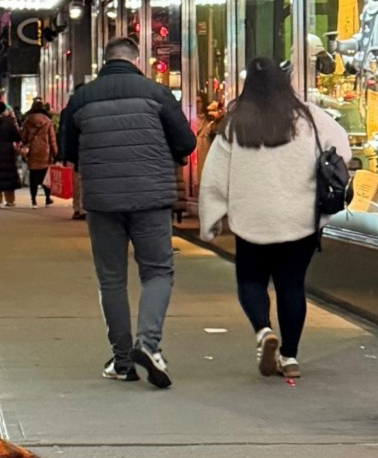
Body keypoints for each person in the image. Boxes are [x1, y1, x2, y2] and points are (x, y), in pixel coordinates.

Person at [197, 56, 349, 380]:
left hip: (251, 219)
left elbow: (214, 175)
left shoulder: (235, 123)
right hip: (299, 219)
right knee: (291, 286)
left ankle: (263, 330)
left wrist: (210, 219)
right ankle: (290, 356)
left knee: (250, 280)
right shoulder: (308, 116)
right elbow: (342, 151)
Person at [58, 35, 195, 387]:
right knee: (157, 272)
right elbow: (186, 142)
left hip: (103, 199)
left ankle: (122, 361)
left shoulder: (81, 98)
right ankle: (148, 344)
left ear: (105, 61)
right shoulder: (157, 94)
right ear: (137, 60)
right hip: (151, 197)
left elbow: (67, 149)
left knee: (111, 279)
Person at [19, 98, 57, 204]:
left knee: (33, 176)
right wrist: (55, 153)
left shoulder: (28, 121)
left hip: (32, 152)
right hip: (45, 152)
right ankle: (47, 198)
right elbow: (52, 139)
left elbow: (23, 137)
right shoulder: (48, 121)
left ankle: (33, 199)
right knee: (45, 177)